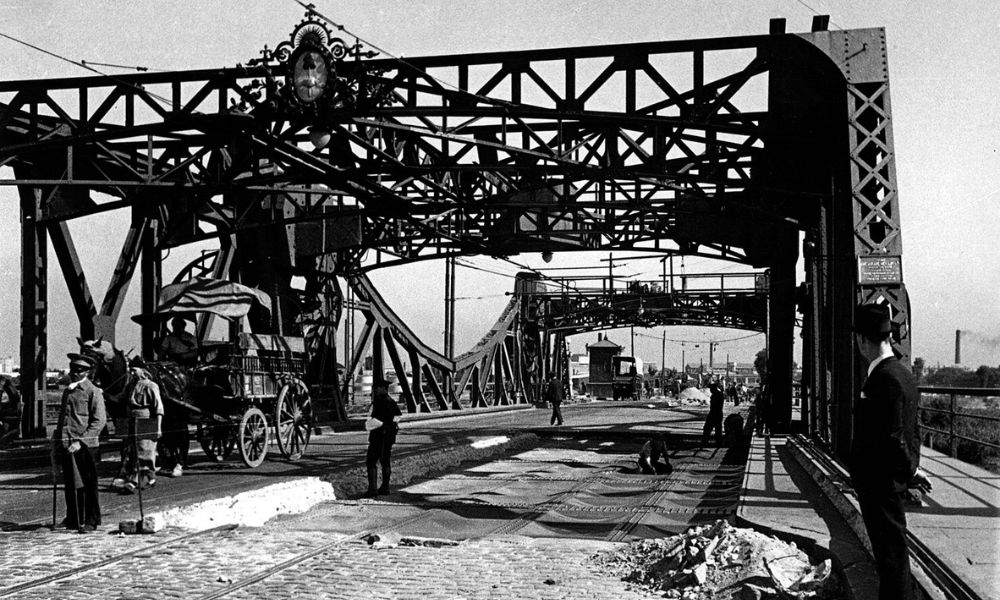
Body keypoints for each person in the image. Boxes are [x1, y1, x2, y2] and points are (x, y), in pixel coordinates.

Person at [849, 303, 932, 600]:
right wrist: (913, 468)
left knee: (891, 559)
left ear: (862, 340)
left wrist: (909, 470)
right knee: (891, 558)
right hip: (889, 482)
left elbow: (894, 436)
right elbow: (914, 429)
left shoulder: (882, 379)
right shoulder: (903, 374)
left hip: (879, 485)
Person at [52, 353, 107, 533]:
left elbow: (99, 421)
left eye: (80, 370)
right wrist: (57, 441)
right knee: (71, 483)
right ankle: (73, 519)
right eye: (74, 369)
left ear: (87, 372)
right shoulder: (68, 391)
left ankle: (91, 520)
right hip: (67, 444)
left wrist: (81, 442)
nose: (76, 372)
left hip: (86, 447)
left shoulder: (93, 391)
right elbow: (63, 419)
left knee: (88, 484)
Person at [113, 357, 163, 493]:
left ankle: (134, 482)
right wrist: (101, 393)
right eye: (130, 370)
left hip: (145, 420)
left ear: (143, 370)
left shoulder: (151, 386)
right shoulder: (130, 386)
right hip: (131, 420)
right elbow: (118, 399)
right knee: (132, 450)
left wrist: (158, 428)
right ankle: (149, 478)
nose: (131, 372)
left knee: (144, 451)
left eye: (134, 370)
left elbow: (159, 408)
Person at [364, 380, 402, 497]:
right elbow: (398, 416)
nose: (375, 390)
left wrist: (371, 425)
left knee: (371, 461)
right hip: (389, 436)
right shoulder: (391, 401)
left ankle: (372, 489)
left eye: (378, 387)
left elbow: (376, 419)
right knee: (385, 461)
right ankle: (385, 487)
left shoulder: (379, 401)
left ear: (384, 389)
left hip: (379, 436)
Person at [701, 376, 725, 446]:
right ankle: (718, 442)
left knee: (707, 428)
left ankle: (705, 442)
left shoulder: (716, 395)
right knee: (718, 429)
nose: (710, 390)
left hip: (714, 414)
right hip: (718, 414)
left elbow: (714, 406)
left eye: (711, 389)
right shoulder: (718, 394)